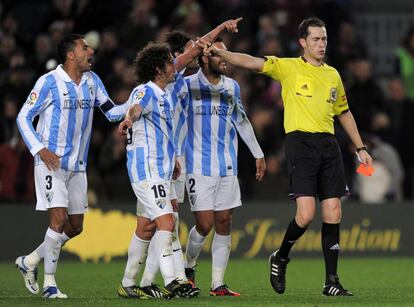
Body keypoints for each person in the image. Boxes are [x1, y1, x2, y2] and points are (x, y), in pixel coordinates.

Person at [204, 17, 372, 296]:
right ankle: (281, 256)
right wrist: (220, 52)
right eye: (316, 39)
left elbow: (344, 112)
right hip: (300, 144)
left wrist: (360, 147)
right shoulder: (289, 67)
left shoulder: (333, 75)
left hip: (329, 145)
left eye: (325, 39)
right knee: (305, 215)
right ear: (303, 42)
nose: (322, 44)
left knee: (334, 211)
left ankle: (331, 281)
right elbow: (251, 61)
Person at [117, 19, 243, 299]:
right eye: (187, 52)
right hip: (147, 168)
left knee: (149, 225)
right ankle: (175, 279)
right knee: (166, 222)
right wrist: (127, 118)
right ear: (167, 63)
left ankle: (134, 282)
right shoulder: (151, 88)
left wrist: (221, 27)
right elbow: (136, 107)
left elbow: (166, 128)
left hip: (166, 166)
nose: (196, 55)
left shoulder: (169, 88)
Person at [15, 33, 128, 298]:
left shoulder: (92, 80)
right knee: (58, 220)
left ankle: (29, 261)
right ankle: (50, 285)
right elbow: (23, 116)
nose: (91, 51)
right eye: (85, 47)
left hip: (78, 165)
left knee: (75, 226)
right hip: (51, 163)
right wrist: (40, 149)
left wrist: (136, 103)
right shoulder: (48, 82)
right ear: (70, 55)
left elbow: (111, 112)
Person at [184, 37, 266, 297]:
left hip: (227, 165)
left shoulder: (232, 87)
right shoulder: (186, 86)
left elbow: (241, 121)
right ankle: (188, 266)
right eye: (220, 54)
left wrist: (258, 153)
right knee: (205, 224)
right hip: (197, 164)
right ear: (205, 57)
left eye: (227, 54)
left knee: (224, 222)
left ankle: (218, 283)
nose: (226, 59)